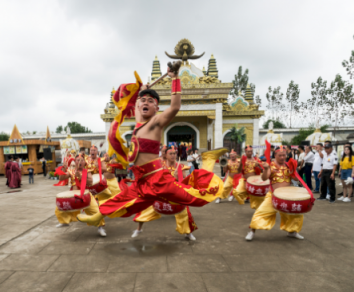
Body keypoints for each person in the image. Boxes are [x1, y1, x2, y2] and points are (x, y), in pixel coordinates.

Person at [77, 67, 227, 227]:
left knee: (194, 197)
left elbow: (175, 107)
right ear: (139, 106)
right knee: (121, 199)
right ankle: (98, 215)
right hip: (141, 180)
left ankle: (208, 161)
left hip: (159, 180)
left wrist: (175, 78)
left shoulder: (155, 122)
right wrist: (142, 91)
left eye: (151, 101)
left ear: (157, 108)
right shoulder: (138, 124)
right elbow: (137, 105)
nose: (146, 103)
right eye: (143, 101)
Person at [132, 146, 197, 241]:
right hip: (162, 194)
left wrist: (177, 178)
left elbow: (185, 182)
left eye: (174, 153)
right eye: (170, 153)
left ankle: (188, 233)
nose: (173, 155)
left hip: (175, 194)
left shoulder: (180, 166)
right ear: (165, 155)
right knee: (145, 208)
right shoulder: (161, 166)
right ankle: (139, 229)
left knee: (184, 213)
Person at [245, 146, 305, 241]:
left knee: (295, 214)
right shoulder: (270, 165)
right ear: (275, 155)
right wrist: (265, 169)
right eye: (280, 155)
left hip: (287, 197)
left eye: (284, 155)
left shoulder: (289, 165)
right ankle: (252, 232)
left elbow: (296, 179)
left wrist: (293, 171)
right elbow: (264, 178)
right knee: (260, 213)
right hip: (272, 196)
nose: (282, 157)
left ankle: (292, 232)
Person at [232, 145, 265, 209]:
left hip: (254, 182)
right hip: (245, 180)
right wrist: (241, 163)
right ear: (245, 152)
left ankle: (257, 208)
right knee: (236, 192)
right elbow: (238, 171)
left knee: (256, 201)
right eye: (248, 152)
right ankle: (245, 199)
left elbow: (262, 170)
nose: (250, 153)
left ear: (252, 152)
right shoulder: (243, 159)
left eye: (251, 151)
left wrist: (258, 166)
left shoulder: (256, 159)